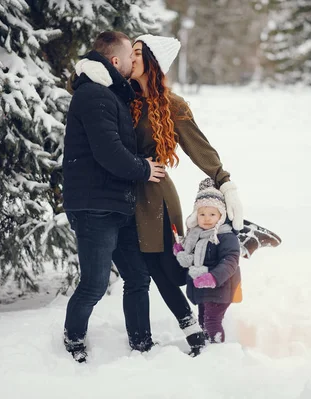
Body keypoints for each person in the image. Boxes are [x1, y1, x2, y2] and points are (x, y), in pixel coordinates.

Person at [129, 34, 244, 355]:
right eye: (130, 52)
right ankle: (191, 330)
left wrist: (224, 181)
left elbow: (199, 147)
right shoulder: (120, 96)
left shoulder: (172, 104)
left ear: (152, 62)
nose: (131, 58)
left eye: (137, 53)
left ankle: (225, 257)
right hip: (124, 196)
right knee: (146, 269)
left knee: (172, 268)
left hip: (155, 196)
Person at [62, 31, 166, 363]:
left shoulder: (111, 94)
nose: (135, 63)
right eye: (131, 58)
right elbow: (109, 152)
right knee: (94, 284)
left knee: (137, 276)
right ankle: (73, 338)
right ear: (115, 61)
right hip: (94, 207)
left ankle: (141, 340)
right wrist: (144, 169)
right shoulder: (94, 94)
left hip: (115, 203)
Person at [174, 178, 242, 343]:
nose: (206, 218)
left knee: (212, 321)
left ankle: (217, 349)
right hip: (201, 288)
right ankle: (207, 347)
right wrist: (181, 252)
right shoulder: (195, 235)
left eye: (212, 214)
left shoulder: (225, 236)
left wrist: (213, 277)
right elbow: (192, 259)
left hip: (221, 286)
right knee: (203, 318)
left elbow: (230, 261)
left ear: (221, 215)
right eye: (202, 214)